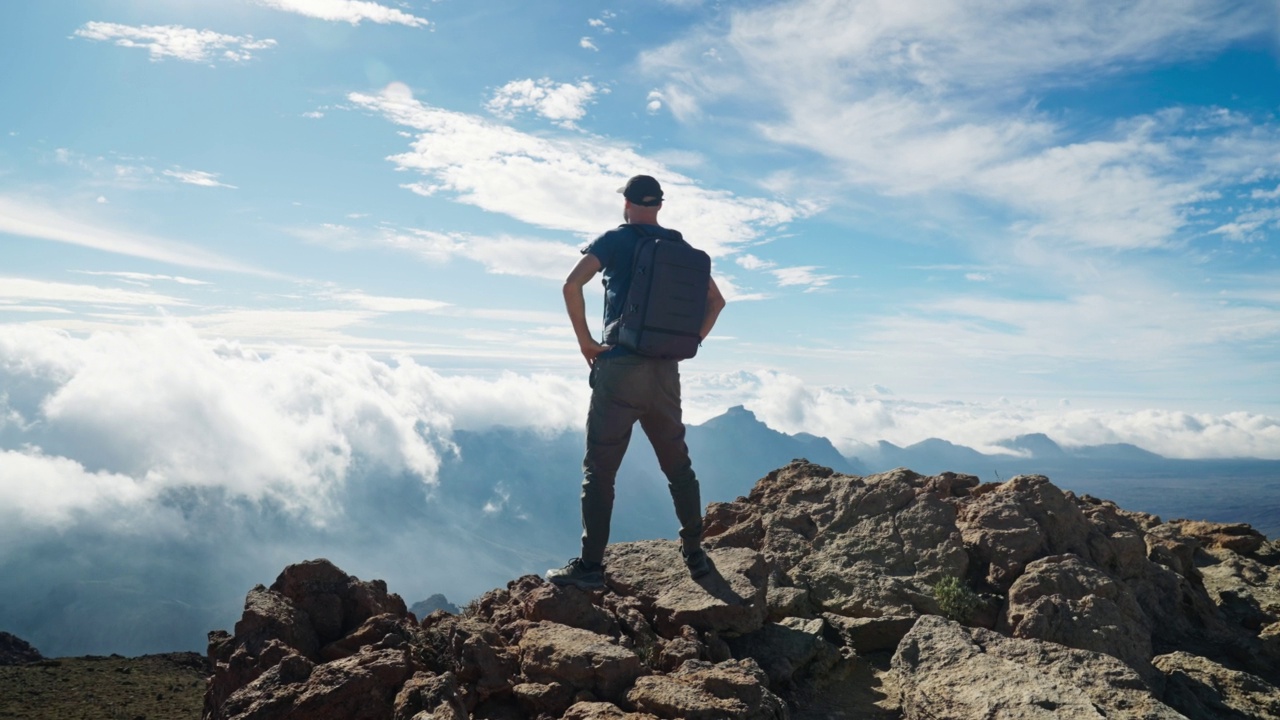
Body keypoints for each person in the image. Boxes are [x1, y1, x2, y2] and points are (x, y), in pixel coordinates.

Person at [546, 175, 727, 590]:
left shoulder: (613, 240)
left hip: (621, 369)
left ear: (626, 203)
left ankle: (591, 567)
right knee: (678, 465)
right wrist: (692, 339)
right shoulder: (681, 249)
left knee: (600, 470)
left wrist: (587, 343)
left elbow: (572, 284)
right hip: (666, 372)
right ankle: (695, 554)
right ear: (659, 206)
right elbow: (717, 302)